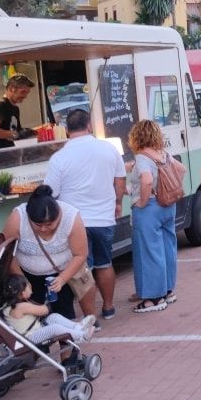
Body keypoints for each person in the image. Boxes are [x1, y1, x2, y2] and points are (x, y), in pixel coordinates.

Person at [42, 108, 126, 321]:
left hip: (73, 222)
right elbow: (120, 179)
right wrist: (117, 203)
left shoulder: (59, 157)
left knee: (82, 270)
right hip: (104, 217)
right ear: (89, 125)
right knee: (105, 263)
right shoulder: (108, 149)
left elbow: (50, 192)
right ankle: (108, 307)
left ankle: (90, 317)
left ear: (67, 130)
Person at [2, 185, 91, 322]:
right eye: (37, 225)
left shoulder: (71, 217)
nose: (43, 229)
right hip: (27, 275)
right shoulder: (17, 218)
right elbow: (8, 254)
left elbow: (80, 254)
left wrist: (62, 279)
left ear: (59, 216)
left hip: (62, 272)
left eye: (49, 224)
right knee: (32, 317)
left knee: (63, 313)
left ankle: (66, 341)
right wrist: (22, 280)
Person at [127, 119, 180, 314]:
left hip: (149, 207)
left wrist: (141, 201)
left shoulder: (142, 158)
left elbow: (147, 179)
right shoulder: (163, 154)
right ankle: (168, 290)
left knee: (149, 251)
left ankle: (153, 298)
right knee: (167, 247)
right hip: (167, 204)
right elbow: (180, 170)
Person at [0, 275, 96, 344]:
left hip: (34, 329)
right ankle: (81, 336)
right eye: (28, 286)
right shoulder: (21, 307)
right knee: (54, 328)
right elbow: (44, 311)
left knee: (54, 317)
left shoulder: (9, 306)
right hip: (29, 338)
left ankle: (78, 327)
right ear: (22, 293)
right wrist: (49, 295)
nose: (30, 287)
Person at [0, 73, 36, 150]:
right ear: (11, 89)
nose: (25, 96)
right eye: (23, 92)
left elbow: (14, 131)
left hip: (7, 155)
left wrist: (26, 132)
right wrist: (16, 135)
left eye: (27, 93)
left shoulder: (15, 108)